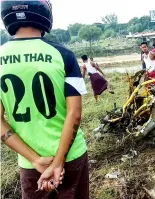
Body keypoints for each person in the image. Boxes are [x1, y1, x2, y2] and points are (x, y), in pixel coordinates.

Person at [0, 0, 89, 198]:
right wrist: (58, 162)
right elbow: (74, 114)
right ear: (44, 15)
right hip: (71, 157)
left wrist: (35, 160)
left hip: (30, 162)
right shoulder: (64, 55)